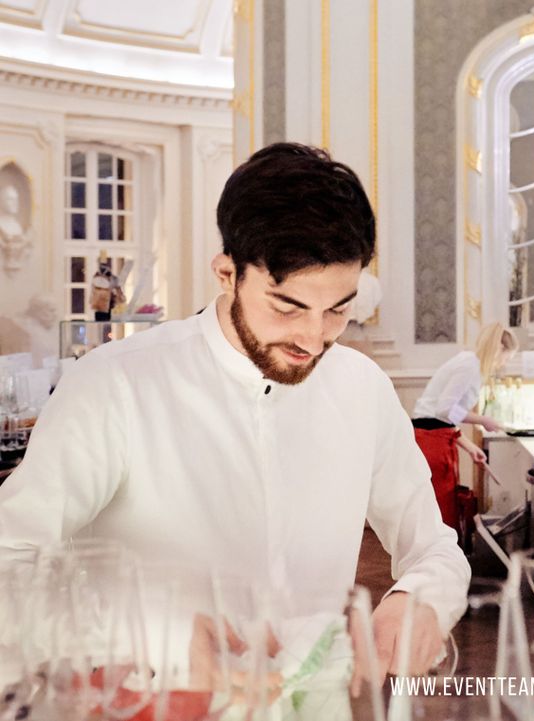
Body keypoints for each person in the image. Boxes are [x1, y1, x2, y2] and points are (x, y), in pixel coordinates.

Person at [0, 142, 470, 679]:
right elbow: (8, 566)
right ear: (227, 274)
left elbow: (434, 547)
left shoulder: (363, 388)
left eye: (337, 308)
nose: (314, 338)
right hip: (154, 707)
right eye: (287, 306)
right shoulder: (115, 385)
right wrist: (158, 637)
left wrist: (420, 596)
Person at [411, 322, 518, 530]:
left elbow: (442, 418)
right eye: (507, 357)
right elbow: (444, 410)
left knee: (443, 509)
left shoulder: (469, 363)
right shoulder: (471, 366)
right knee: (440, 513)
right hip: (432, 444)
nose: (504, 363)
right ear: (500, 349)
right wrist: (483, 420)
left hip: (435, 437)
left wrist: (470, 448)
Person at [0, 184, 30, 273]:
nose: (15, 203)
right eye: (10, 199)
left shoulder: (18, 227)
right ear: (1, 202)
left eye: (16, 199)